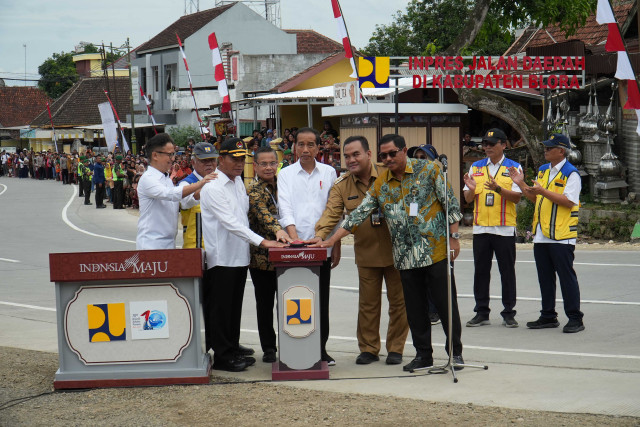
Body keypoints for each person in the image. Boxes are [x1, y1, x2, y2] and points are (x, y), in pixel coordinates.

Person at [311, 134, 465, 372]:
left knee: (446, 306)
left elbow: (450, 204)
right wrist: (329, 240)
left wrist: (454, 239)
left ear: (404, 151)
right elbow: (357, 215)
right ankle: (424, 356)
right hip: (404, 258)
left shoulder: (429, 170)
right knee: (415, 312)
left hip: (435, 252)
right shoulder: (381, 184)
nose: (389, 158)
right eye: (385, 155)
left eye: (393, 153)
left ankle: (455, 353)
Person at [310, 136, 409, 366]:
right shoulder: (342, 185)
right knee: (368, 305)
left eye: (356, 154)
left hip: (398, 252)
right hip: (366, 253)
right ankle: (369, 349)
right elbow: (331, 213)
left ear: (369, 154)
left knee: (399, 303)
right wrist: (320, 235)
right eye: (347, 156)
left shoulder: (389, 175)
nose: (351, 159)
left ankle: (396, 348)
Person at [199, 138, 286, 372]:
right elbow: (231, 223)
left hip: (239, 255)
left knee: (234, 306)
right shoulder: (213, 187)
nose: (239, 164)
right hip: (222, 257)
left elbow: (244, 217)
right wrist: (263, 241)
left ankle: (232, 347)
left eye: (241, 159)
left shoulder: (237, 182)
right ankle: (223, 356)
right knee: (221, 308)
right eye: (234, 159)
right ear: (221, 160)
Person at [509, 133, 585, 333]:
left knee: (566, 277)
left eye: (550, 148)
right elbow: (536, 199)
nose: (545, 150)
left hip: (561, 235)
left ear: (561, 151)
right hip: (542, 233)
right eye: (545, 147)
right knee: (545, 277)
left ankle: (575, 318)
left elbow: (569, 202)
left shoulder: (572, 174)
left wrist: (543, 192)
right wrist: (520, 184)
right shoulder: (543, 171)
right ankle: (548, 315)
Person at [278, 127, 339, 366]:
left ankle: (321, 349)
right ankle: (294, 348)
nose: (305, 149)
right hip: (294, 247)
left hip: (322, 246)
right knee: (295, 296)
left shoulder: (330, 172)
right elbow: (285, 208)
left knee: (321, 298)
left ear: (318, 148)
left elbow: (334, 210)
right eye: (300, 145)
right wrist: (295, 241)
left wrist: (335, 244)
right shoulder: (286, 174)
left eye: (310, 145)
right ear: (294, 148)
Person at [463, 128, 522, 328]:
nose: (486, 147)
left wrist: (498, 189)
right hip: (481, 228)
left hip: (504, 228)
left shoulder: (514, 168)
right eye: (485, 144)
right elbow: (468, 199)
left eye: (491, 144)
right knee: (480, 271)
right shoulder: (476, 168)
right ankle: (481, 312)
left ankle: (508, 312)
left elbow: (517, 197)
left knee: (506, 271)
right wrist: (471, 190)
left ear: (503, 145)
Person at [247, 146, 293, 363]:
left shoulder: (283, 186)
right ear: (255, 166)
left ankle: (291, 342)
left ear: (278, 164)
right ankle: (268, 348)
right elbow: (264, 215)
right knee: (264, 305)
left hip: (286, 257)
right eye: (263, 164)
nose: (268, 167)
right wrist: (279, 231)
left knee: (286, 304)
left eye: (272, 163)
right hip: (262, 260)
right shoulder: (254, 189)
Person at [135, 133, 216, 250]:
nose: (173, 158)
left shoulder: (166, 178)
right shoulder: (148, 178)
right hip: (151, 244)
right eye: (170, 154)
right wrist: (202, 183)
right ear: (155, 155)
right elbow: (171, 194)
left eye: (173, 154)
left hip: (169, 243)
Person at [179, 142, 219, 249]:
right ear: (193, 162)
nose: (209, 164)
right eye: (204, 161)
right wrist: (206, 184)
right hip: (196, 248)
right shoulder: (186, 184)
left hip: (218, 246)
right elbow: (185, 203)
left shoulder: (221, 180)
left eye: (212, 160)